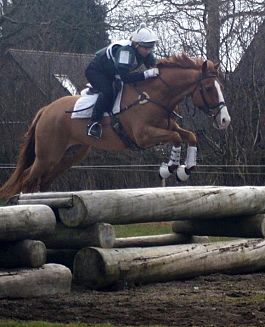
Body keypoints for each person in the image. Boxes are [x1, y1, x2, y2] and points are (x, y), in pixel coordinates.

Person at [85, 22, 160, 139]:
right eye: (146, 47)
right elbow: (125, 77)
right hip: (96, 72)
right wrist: (147, 74)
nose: (148, 51)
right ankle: (93, 123)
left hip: (112, 73)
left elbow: (154, 66)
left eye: (151, 47)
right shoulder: (125, 51)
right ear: (136, 45)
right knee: (108, 91)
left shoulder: (145, 52)